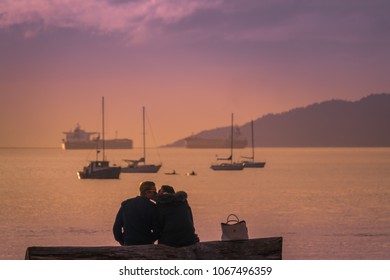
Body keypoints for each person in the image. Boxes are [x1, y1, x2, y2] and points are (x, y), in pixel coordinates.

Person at [113, 181, 159, 245]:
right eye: (154, 191)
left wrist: (122, 241)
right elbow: (157, 229)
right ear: (147, 192)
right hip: (146, 244)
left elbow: (116, 227)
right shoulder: (152, 207)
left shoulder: (126, 204)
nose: (156, 194)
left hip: (128, 243)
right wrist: (150, 240)